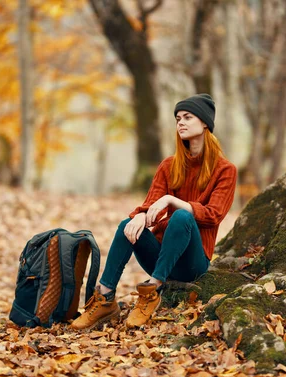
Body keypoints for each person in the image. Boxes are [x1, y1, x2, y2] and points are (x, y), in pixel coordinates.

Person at [71, 93, 237, 330]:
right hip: (161, 256)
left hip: (193, 262)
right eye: (178, 118)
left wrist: (171, 200)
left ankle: (152, 291)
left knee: (182, 216)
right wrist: (140, 215)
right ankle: (106, 297)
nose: (180, 122)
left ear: (204, 123)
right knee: (125, 225)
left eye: (187, 117)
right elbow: (150, 204)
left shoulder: (225, 170)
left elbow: (213, 215)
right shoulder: (169, 165)